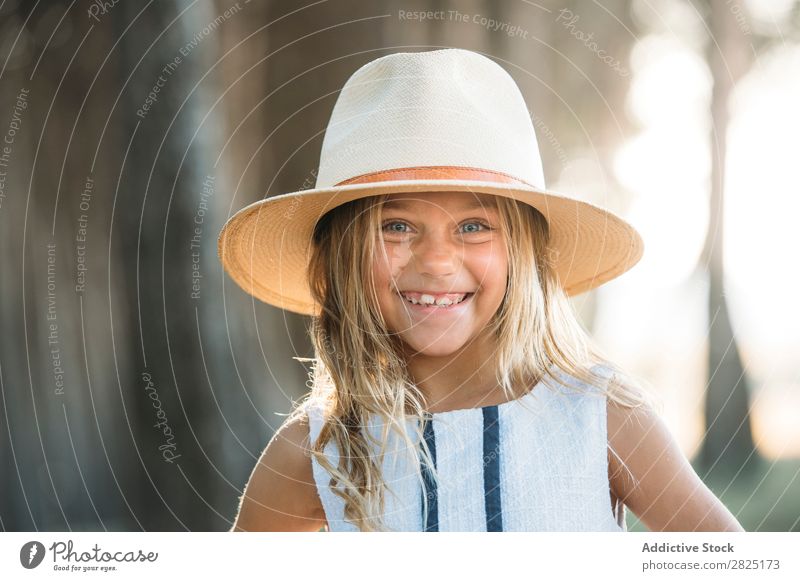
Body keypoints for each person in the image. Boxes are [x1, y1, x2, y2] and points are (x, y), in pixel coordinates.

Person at [219, 48, 744, 532]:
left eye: (473, 226)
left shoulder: (600, 414)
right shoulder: (315, 451)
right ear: (341, 258)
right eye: (395, 226)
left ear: (523, 253)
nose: (438, 261)